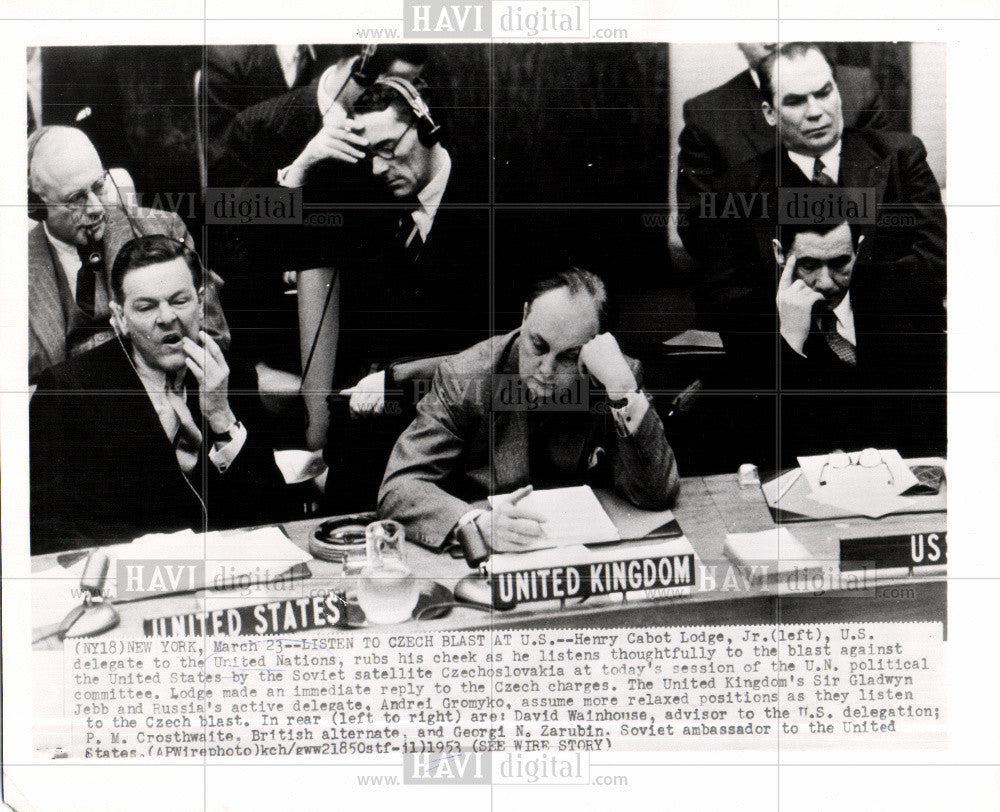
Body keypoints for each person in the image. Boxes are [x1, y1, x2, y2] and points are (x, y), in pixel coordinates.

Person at [377, 269, 680, 553]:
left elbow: (656, 494)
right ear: (524, 317)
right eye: (538, 345)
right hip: (490, 552)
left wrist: (624, 392)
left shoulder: (614, 377)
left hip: (582, 546)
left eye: (569, 356)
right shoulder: (465, 378)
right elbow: (399, 487)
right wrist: (473, 523)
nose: (546, 370)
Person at [30, 235, 288, 554]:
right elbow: (46, 530)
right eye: (146, 306)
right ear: (120, 317)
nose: (167, 317)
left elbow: (275, 513)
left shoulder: (231, 374)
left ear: (201, 301)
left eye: (179, 300)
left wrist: (222, 417)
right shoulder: (71, 389)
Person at [27, 125, 230, 383]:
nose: (96, 208)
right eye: (76, 198)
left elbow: (214, 334)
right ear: (36, 208)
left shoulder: (162, 228)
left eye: (99, 186)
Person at [676, 41, 886, 245]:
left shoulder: (858, 89)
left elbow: (889, 198)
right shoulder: (708, 114)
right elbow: (699, 233)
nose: (770, 40)